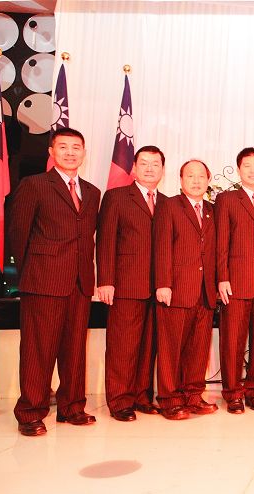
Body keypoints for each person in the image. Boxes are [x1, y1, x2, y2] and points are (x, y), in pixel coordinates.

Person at [9, 127, 101, 436]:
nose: (70, 152)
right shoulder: (34, 185)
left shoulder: (92, 192)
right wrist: (31, 274)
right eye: (63, 147)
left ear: (84, 153)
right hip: (42, 281)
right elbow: (18, 234)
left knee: (74, 349)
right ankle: (30, 412)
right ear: (51, 151)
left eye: (76, 147)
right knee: (39, 350)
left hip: (79, 282)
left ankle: (71, 407)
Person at [97, 146, 166, 421]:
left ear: (162, 170)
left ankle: (141, 396)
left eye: (155, 164)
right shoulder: (116, 197)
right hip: (125, 285)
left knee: (148, 346)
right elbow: (105, 240)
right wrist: (105, 280)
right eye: (144, 163)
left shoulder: (167, 202)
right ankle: (119, 400)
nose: (150, 168)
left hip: (158, 287)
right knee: (123, 346)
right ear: (134, 168)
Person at [153, 159, 218, 420]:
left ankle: (192, 395)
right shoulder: (169, 206)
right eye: (190, 176)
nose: (196, 180)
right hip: (177, 289)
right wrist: (163, 284)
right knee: (172, 349)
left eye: (201, 176)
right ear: (181, 180)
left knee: (198, 348)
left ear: (208, 180)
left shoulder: (212, 210)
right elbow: (162, 246)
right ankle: (169, 399)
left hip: (205, 291)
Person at [216, 148, 254, 414]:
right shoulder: (227, 200)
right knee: (233, 341)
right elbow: (221, 242)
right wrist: (222, 277)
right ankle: (232, 393)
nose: (252, 171)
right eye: (247, 166)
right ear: (239, 169)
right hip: (236, 282)